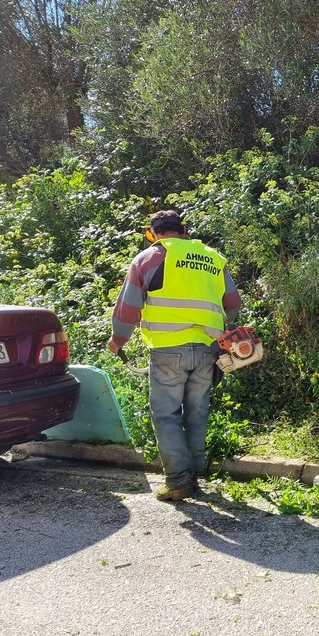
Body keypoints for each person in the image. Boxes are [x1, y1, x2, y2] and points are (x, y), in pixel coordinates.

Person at [108, 210, 242, 501]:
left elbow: (128, 309)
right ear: (183, 230)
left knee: (167, 416)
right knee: (197, 412)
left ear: (152, 233)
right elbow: (233, 303)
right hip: (208, 349)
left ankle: (179, 482)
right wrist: (217, 325)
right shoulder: (212, 257)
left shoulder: (149, 258)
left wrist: (118, 341)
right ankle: (193, 478)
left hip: (168, 349)